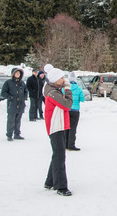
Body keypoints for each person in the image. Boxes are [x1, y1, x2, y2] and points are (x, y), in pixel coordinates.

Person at [43, 66, 73, 196]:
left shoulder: (54, 90)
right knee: (60, 156)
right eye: (61, 78)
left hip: (59, 126)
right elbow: (67, 104)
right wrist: (68, 90)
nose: (63, 79)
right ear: (55, 80)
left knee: (57, 154)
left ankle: (50, 182)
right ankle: (61, 187)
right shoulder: (53, 93)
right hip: (55, 127)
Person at [1, 68, 28, 141]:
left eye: (19, 73)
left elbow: (25, 91)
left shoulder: (22, 83)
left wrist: (24, 97)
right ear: (13, 74)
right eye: (16, 73)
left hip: (20, 104)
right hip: (12, 104)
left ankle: (17, 134)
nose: (18, 75)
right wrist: (10, 97)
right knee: (11, 120)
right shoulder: (8, 82)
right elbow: (3, 93)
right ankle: (9, 135)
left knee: (18, 120)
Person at [65, 72, 84, 151]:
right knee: (73, 128)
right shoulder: (79, 88)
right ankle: (71, 144)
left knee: (66, 127)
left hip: (67, 109)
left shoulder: (65, 89)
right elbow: (83, 99)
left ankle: (65, 144)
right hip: (75, 110)